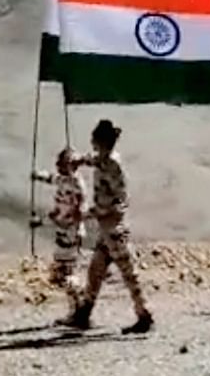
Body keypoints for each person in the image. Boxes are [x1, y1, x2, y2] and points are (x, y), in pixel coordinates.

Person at [66, 120, 153, 334]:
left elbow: (118, 201)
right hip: (106, 229)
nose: (91, 142)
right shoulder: (104, 160)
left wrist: (89, 213)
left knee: (128, 272)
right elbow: (93, 159)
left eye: (94, 139)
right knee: (96, 270)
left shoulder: (112, 166)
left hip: (114, 227)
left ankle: (144, 313)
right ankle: (84, 312)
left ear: (102, 142)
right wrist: (78, 159)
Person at [32, 147, 88, 321]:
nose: (57, 165)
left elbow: (81, 208)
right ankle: (77, 310)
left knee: (67, 273)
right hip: (63, 232)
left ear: (70, 165)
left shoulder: (76, 184)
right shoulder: (64, 179)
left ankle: (83, 307)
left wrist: (74, 223)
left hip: (70, 233)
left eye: (61, 162)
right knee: (59, 274)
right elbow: (52, 179)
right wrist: (37, 175)